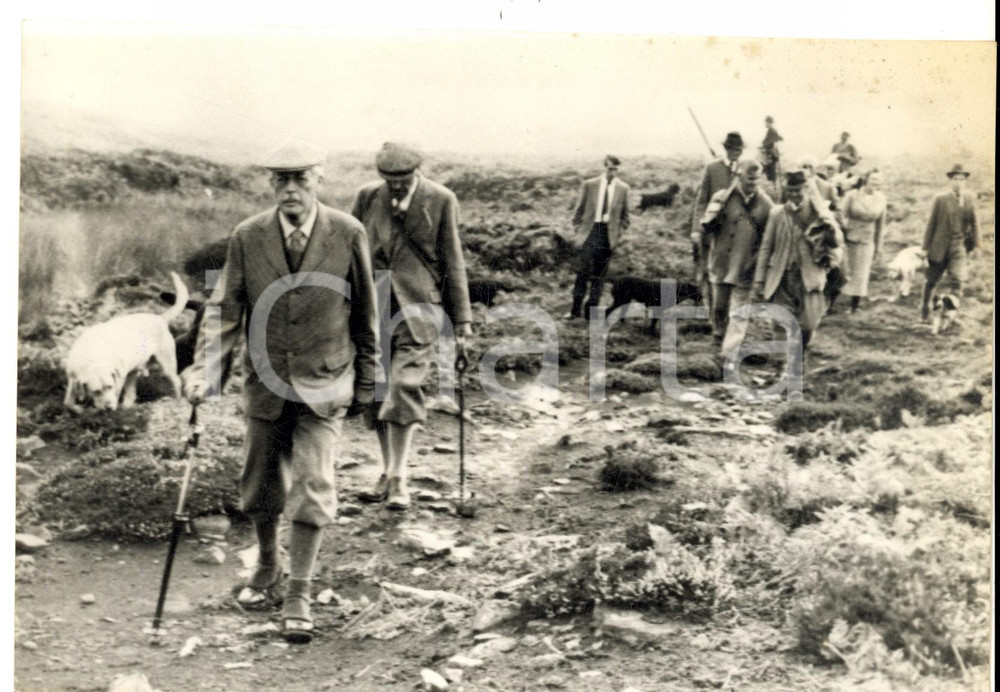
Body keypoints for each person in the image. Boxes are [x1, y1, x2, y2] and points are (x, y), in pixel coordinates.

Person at [182, 144, 381, 644]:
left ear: (318, 179)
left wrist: (369, 378)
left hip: (326, 379)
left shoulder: (347, 232)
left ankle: (299, 592)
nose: (291, 189)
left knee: (313, 484)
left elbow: (366, 313)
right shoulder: (248, 236)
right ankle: (269, 561)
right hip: (265, 380)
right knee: (260, 485)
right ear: (271, 184)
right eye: (281, 179)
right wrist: (204, 373)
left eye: (300, 178)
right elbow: (225, 310)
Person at [351, 142, 472, 509]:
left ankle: (400, 477)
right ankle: (387, 471)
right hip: (373, 305)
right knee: (376, 391)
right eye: (389, 179)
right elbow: (349, 251)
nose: (397, 185)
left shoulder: (441, 199)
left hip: (420, 308)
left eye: (403, 179)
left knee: (403, 385)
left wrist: (462, 319)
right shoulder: (367, 196)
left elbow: (453, 259)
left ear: (417, 171)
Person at [753, 170, 845, 357]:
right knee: (781, 321)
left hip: (809, 277)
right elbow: (766, 248)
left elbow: (837, 241)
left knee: (809, 324)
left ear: (806, 189)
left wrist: (828, 224)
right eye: (790, 190)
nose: (794, 194)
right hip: (782, 276)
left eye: (798, 190)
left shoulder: (819, 213)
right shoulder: (777, 213)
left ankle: (800, 353)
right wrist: (759, 280)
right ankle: (783, 364)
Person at [699, 159, 774, 360]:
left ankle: (729, 353)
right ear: (739, 176)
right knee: (719, 307)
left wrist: (758, 262)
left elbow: (769, 237)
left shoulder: (766, 205)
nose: (753, 184)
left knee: (740, 311)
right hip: (721, 261)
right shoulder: (722, 197)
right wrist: (713, 214)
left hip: (746, 265)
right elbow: (707, 227)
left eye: (756, 180)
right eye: (749, 179)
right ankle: (719, 335)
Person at [564, 155, 631, 320]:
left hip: (607, 236)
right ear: (604, 167)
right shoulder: (590, 185)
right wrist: (578, 230)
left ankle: (591, 312)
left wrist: (617, 234)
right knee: (582, 273)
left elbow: (625, 218)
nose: (612, 172)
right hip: (589, 233)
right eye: (610, 168)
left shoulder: (623, 188)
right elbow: (578, 211)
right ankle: (575, 311)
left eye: (616, 169)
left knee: (599, 276)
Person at [691, 132, 744, 327]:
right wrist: (697, 229)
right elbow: (701, 200)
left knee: (731, 275)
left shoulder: (744, 170)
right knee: (711, 274)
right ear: (726, 149)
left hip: (735, 234)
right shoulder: (712, 168)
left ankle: (728, 316)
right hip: (712, 231)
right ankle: (714, 318)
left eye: (739, 150)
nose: (735, 153)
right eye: (732, 149)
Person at [921, 164, 979, 320]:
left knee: (957, 280)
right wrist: (925, 248)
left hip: (958, 247)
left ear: (965, 181)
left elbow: (975, 223)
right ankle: (925, 309)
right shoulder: (940, 199)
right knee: (931, 281)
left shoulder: (970, 198)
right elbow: (931, 224)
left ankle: (950, 314)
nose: (958, 182)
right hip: (938, 247)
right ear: (950, 181)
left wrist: (976, 245)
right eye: (955, 179)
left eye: (961, 179)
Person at [837, 169, 888, 313]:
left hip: (867, 240)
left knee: (861, 273)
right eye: (873, 179)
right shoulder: (852, 195)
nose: (875, 182)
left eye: (878, 180)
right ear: (866, 179)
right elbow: (840, 214)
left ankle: (854, 307)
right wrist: (844, 228)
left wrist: (879, 247)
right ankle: (830, 303)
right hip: (848, 239)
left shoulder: (881, 198)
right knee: (842, 271)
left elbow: (881, 225)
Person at [759, 116, 783, 183]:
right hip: (770, 154)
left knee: (770, 171)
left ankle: (773, 184)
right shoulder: (771, 131)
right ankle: (772, 183)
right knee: (769, 170)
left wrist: (763, 146)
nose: (765, 124)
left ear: (770, 123)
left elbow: (770, 141)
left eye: (766, 122)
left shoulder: (772, 131)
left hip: (771, 155)